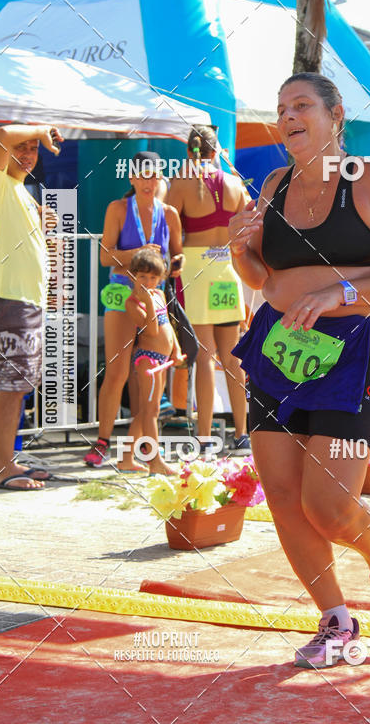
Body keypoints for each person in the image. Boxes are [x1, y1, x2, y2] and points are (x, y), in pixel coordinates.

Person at [228, 73, 370, 668]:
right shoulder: (273, 182)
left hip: (353, 347)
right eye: (282, 107)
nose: (289, 116)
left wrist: (338, 294)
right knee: (285, 498)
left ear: (335, 114)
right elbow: (263, 279)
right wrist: (241, 250)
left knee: (329, 504)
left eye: (302, 105)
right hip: (277, 347)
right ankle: (335, 621)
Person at [0, 124, 62, 490]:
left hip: (23, 302)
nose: (28, 154)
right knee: (13, 386)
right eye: (21, 148)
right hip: (9, 301)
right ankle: (2, 467)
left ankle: (6, 462)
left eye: (33, 149)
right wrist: (42, 131)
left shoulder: (20, 191)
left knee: (19, 384)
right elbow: (3, 134)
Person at [83, 152, 184, 470]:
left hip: (154, 301)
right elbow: (104, 257)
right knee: (117, 373)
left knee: (149, 383)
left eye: (154, 175)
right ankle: (102, 444)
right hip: (122, 296)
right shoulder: (117, 208)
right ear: (131, 178)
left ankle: (131, 456)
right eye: (142, 175)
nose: (148, 181)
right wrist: (139, 254)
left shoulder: (168, 214)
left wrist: (172, 266)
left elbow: (177, 258)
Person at [166, 126, 250, 454]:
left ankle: (204, 439)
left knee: (204, 356)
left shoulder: (182, 184)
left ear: (190, 152)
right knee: (232, 357)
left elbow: (169, 227)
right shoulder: (234, 184)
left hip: (195, 270)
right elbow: (249, 224)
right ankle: (242, 435)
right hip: (226, 270)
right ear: (217, 152)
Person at [123, 248, 185, 470]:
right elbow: (151, 332)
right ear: (133, 276)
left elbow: (167, 324)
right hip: (148, 361)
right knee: (151, 412)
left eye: (153, 278)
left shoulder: (159, 294)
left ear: (159, 278)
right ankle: (154, 461)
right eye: (142, 277)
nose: (148, 282)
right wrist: (147, 302)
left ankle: (126, 459)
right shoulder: (132, 303)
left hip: (162, 359)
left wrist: (176, 350)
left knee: (148, 411)